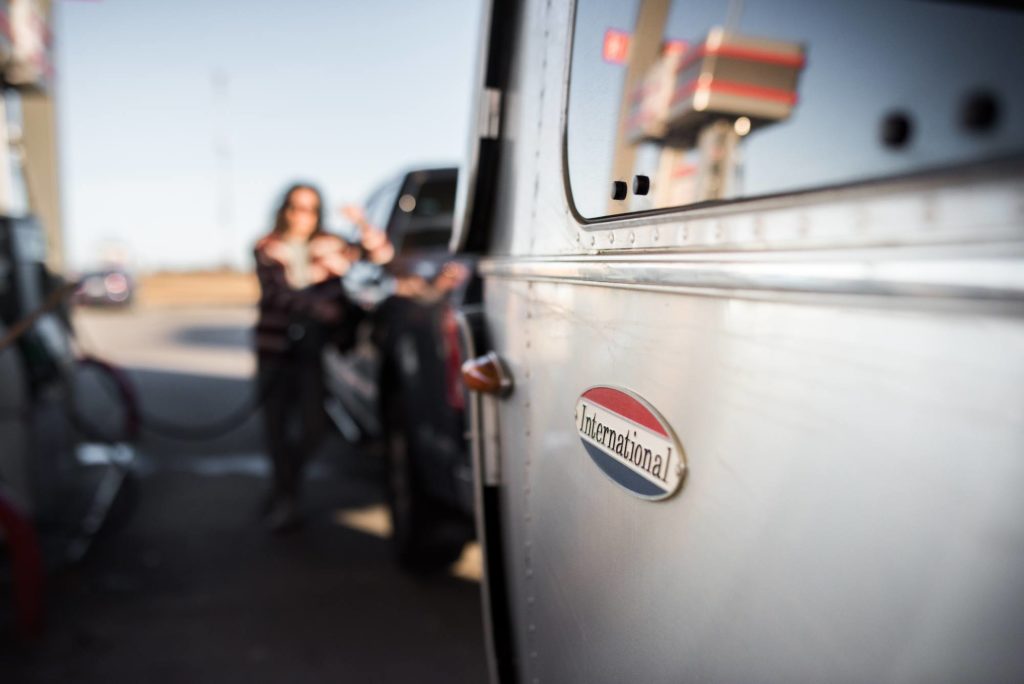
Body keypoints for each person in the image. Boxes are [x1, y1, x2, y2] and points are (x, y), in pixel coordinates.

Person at [253, 183, 392, 532]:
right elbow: (277, 293)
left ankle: (287, 484)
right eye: (296, 208)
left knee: (314, 426)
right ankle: (286, 499)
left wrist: (362, 223)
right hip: (275, 350)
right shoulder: (266, 246)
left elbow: (381, 256)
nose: (302, 216)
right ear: (284, 209)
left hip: (312, 353)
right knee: (276, 429)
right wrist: (317, 305)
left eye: (310, 209)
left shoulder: (333, 244)